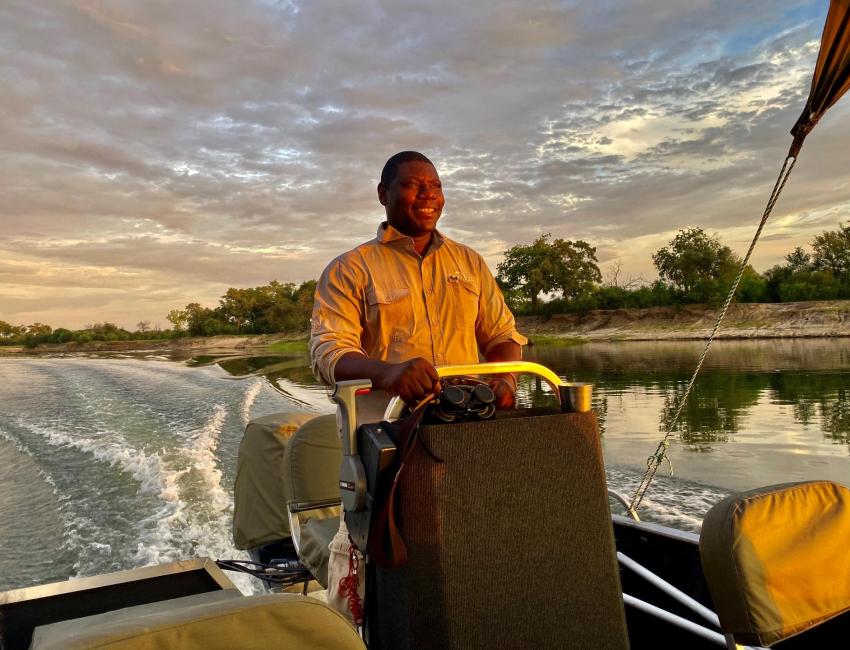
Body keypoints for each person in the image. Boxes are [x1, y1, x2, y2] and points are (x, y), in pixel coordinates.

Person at [310, 150, 527, 412]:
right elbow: (330, 353)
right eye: (412, 184)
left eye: (436, 186)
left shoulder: (470, 261)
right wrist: (387, 374)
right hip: (385, 426)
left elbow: (501, 335)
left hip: (467, 420)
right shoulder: (348, 269)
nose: (429, 194)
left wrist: (506, 378)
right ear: (383, 194)